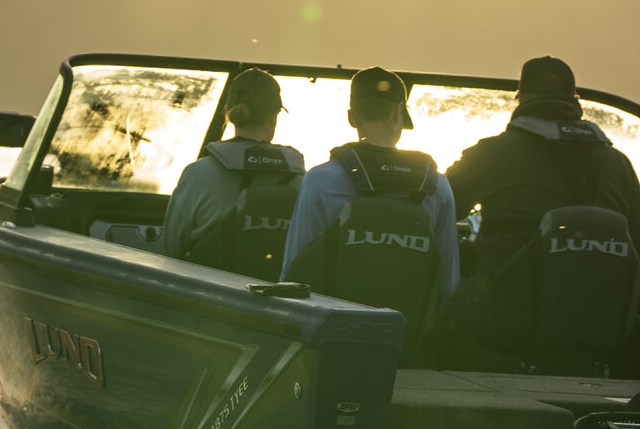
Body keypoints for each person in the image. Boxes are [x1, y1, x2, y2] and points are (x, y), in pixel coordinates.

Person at [445, 55, 640, 281]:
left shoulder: (490, 153)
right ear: (574, 101)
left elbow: (438, 208)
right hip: (599, 309)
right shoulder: (618, 163)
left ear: (522, 99)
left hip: (505, 309)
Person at [280, 66, 460, 314]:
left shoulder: (320, 181)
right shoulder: (437, 187)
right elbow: (448, 286)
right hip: (405, 339)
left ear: (351, 117)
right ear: (399, 112)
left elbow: (294, 275)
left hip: (331, 333)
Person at [162, 68, 305, 269]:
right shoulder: (300, 179)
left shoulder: (197, 173)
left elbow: (172, 249)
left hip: (208, 295)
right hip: (274, 298)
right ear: (274, 116)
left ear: (229, 112)